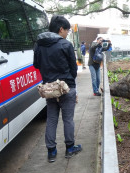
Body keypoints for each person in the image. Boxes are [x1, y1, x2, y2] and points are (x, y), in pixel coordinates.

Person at [33, 15, 82, 163]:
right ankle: (69, 149)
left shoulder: (39, 45)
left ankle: (51, 152)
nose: (67, 33)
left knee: (52, 119)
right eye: (67, 30)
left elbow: (36, 65)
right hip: (66, 87)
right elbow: (74, 69)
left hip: (49, 89)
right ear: (61, 29)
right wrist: (71, 85)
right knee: (68, 119)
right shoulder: (65, 45)